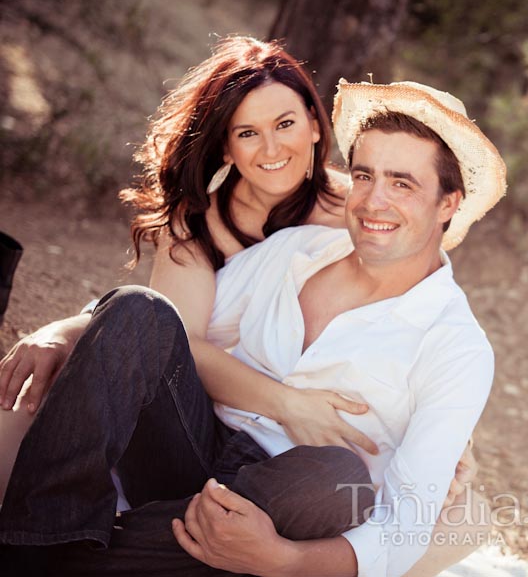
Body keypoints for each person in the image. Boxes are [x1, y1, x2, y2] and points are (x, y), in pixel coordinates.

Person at [0, 38, 484, 571]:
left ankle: (76, 554)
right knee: (137, 307)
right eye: (365, 175)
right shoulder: (300, 249)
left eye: (403, 183)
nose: (374, 200)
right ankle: (38, 543)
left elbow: (406, 518)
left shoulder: (454, 345)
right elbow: (162, 328)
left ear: (448, 204)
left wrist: (281, 560)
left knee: (334, 478)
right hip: (194, 445)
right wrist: (72, 331)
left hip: (286, 495)